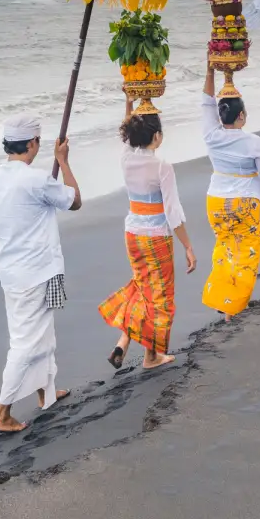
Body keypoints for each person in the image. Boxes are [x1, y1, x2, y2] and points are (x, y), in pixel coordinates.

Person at [0, 116, 82, 434]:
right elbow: (74, 201)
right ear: (32, 144)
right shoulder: (36, 180)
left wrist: (13, 244)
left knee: (43, 334)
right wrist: (63, 162)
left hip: (13, 272)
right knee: (25, 343)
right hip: (37, 272)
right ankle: (2, 413)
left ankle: (46, 394)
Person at [99, 98, 197, 371]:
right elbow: (172, 212)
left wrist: (130, 101)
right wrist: (188, 246)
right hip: (156, 237)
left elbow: (127, 137)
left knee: (143, 288)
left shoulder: (127, 159)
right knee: (159, 298)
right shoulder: (162, 166)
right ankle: (151, 356)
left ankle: (123, 342)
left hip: (133, 234)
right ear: (157, 136)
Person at [200, 64, 260, 319]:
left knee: (224, 248)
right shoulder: (252, 142)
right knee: (246, 253)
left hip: (217, 202)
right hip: (245, 203)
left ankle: (222, 298)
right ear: (242, 116)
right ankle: (233, 304)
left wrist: (210, 72)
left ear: (221, 117)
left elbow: (206, 104)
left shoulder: (211, 135)